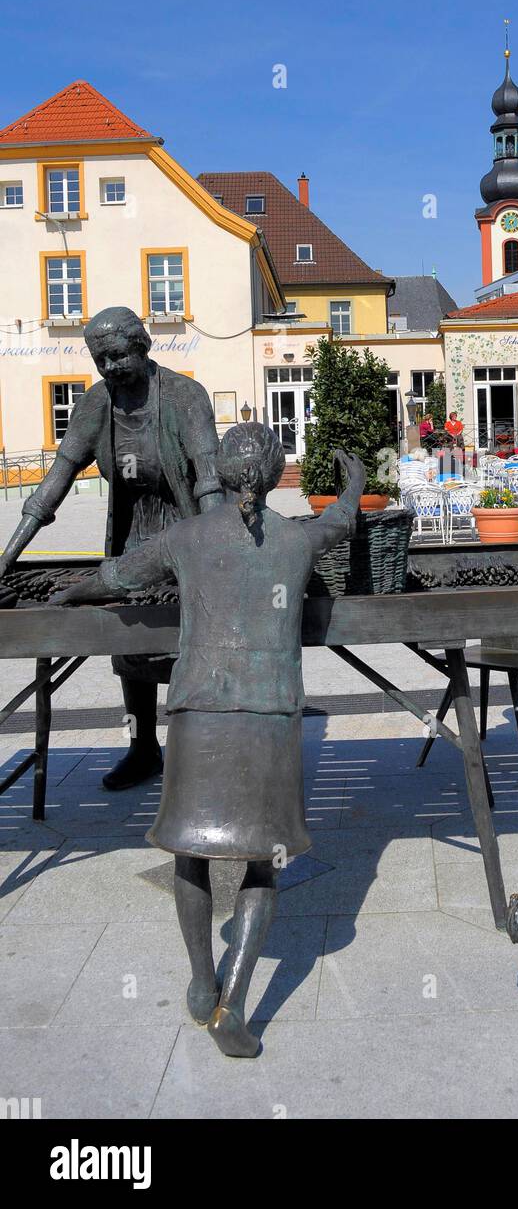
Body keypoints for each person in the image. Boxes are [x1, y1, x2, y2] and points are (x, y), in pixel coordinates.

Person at [53, 427, 366, 1057]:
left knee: (189, 849)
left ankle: (202, 979)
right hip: (269, 714)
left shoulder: (186, 536)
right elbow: (341, 521)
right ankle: (235, 1003)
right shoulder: (295, 540)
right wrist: (355, 483)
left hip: (198, 709)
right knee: (261, 860)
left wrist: (71, 591)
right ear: (278, 476)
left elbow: (119, 576)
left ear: (219, 473)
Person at [0, 306, 222, 790]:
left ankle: (203, 751)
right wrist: (6, 560)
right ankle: (143, 748)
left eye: (118, 355)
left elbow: (208, 478)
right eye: (100, 360)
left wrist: (216, 550)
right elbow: (53, 485)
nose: (110, 368)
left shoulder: (186, 397)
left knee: (197, 643)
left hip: (184, 532)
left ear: (143, 346)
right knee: (130, 648)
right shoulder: (96, 404)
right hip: (129, 539)